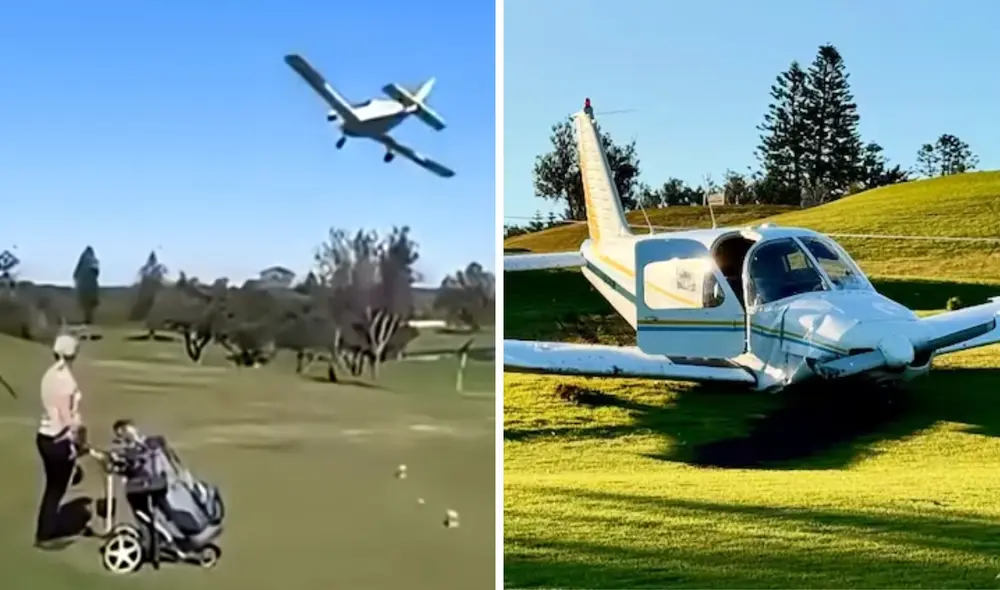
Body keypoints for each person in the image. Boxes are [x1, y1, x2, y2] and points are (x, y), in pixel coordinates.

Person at [34, 334, 86, 548]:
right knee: (56, 488)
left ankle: (47, 528)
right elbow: (67, 419)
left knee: (53, 487)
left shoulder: (49, 375)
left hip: (44, 437)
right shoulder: (66, 381)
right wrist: (78, 441)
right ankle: (46, 534)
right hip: (58, 440)